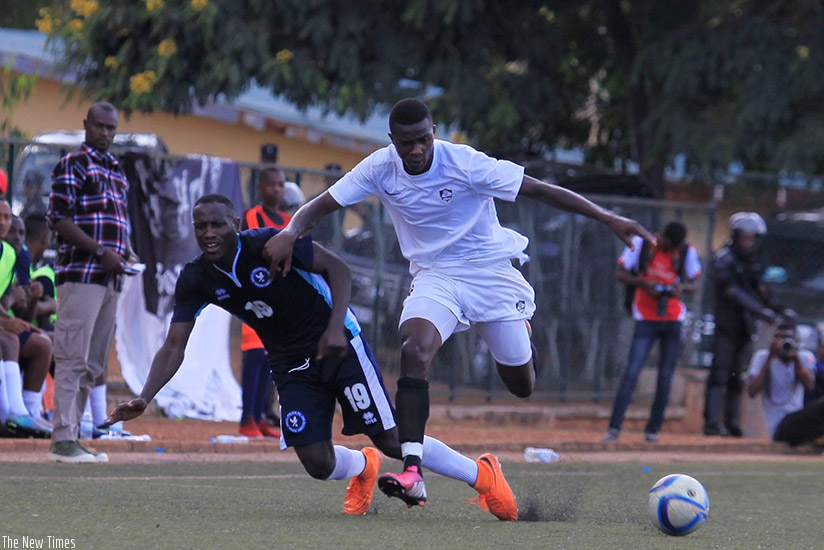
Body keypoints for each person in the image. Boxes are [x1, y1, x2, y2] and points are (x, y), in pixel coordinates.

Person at [262, 97, 653, 504]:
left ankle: (521, 333)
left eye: (424, 140)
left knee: (521, 385)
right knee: (415, 349)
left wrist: (608, 217)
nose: (416, 150)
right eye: (406, 143)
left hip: (490, 272)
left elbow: (538, 189)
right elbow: (321, 205)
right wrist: (290, 231)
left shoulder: (465, 163)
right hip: (436, 276)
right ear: (392, 140)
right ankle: (413, 471)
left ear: (433, 133)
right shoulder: (379, 167)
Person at [105, 194, 519, 521]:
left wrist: (336, 327)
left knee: (391, 439)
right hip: (289, 364)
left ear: (235, 225)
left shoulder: (268, 244)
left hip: (338, 345)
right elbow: (174, 345)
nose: (209, 233)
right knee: (317, 463)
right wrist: (145, 396)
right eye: (201, 227)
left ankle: (483, 475)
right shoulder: (196, 277)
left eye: (217, 225)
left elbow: (338, 270)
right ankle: (363, 467)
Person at [46, 101, 137, 463]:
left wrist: (126, 252)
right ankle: (62, 439)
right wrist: (101, 252)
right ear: (86, 125)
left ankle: (74, 436)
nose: (105, 133)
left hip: (111, 278)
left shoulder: (115, 169)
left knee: (93, 364)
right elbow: (59, 218)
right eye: (99, 126)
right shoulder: (73, 163)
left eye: (111, 128)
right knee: (72, 357)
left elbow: (118, 221)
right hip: (82, 274)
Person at [603, 220, 701, 443]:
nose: (668, 248)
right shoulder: (642, 244)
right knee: (632, 371)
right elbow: (620, 274)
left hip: (672, 317)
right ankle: (614, 427)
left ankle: (652, 430)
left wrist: (681, 288)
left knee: (665, 376)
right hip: (645, 317)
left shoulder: (686, 251)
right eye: (667, 243)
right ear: (661, 235)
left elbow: (695, 283)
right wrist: (644, 284)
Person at [702, 212, 795, 437]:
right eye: (745, 238)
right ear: (735, 236)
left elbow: (762, 290)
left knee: (737, 376)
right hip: (726, 325)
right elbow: (733, 291)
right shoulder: (724, 259)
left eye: (752, 238)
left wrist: (782, 310)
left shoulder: (751, 261)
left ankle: (732, 422)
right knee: (720, 373)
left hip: (744, 327)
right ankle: (711, 423)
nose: (749, 243)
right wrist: (761, 312)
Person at [236, 167, 292, 439]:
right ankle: (246, 418)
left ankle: (259, 417)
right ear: (260, 187)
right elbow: (250, 249)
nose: (277, 189)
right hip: (254, 293)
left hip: (280, 296)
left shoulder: (289, 220)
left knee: (270, 356)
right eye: (271, 184)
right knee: (255, 353)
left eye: (281, 184)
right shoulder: (252, 216)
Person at [0, 200, 50, 438]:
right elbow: (7, 301)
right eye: (0, 217)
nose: (4, 223)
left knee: (42, 344)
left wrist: (26, 308)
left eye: (7, 217)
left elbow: (8, 304)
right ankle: (9, 415)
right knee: (8, 340)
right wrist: (6, 319)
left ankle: (30, 412)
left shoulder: (11, 254)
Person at [746, 321, 815, 439]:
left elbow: (809, 385)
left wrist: (796, 358)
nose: (783, 342)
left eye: (788, 338)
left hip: (795, 415)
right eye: (779, 337)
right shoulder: (762, 356)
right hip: (772, 418)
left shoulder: (804, 356)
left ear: (797, 340)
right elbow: (752, 391)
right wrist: (769, 358)